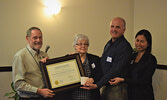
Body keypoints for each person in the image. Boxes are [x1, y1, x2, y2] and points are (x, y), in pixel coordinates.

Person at [81, 17, 133, 100]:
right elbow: (101, 61)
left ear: (124, 29)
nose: (114, 29)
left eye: (118, 27)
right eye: (112, 26)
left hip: (117, 90)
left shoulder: (125, 47)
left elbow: (115, 70)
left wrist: (97, 85)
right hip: (106, 87)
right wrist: (80, 55)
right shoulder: (109, 44)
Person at [109, 29, 157, 100]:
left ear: (148, 43)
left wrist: (122, 80)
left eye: (142, 41)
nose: (139, 44)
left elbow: (144, 81)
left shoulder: (151, 59)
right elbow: (125, 71)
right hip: (130, 94)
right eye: (137, 40)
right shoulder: (132, 56)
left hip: (144, 95)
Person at [12, 27, 55, 100]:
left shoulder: (44, 55)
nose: (38, 40)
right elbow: (18, 84)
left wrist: (50, 65)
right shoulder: (20, 56)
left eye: (40, 37)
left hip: (45, 97)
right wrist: (39, 91)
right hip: (29, 98)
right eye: (35, 38)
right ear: (27, 38)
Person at [64, 34, 103, 100]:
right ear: (75, 46)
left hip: (90, 95)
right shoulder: (68, 59)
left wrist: (92, 79)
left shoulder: (95, 59)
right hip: (73, 95)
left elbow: (100, 74)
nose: (83, 46)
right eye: (80, 44)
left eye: (86, 44)